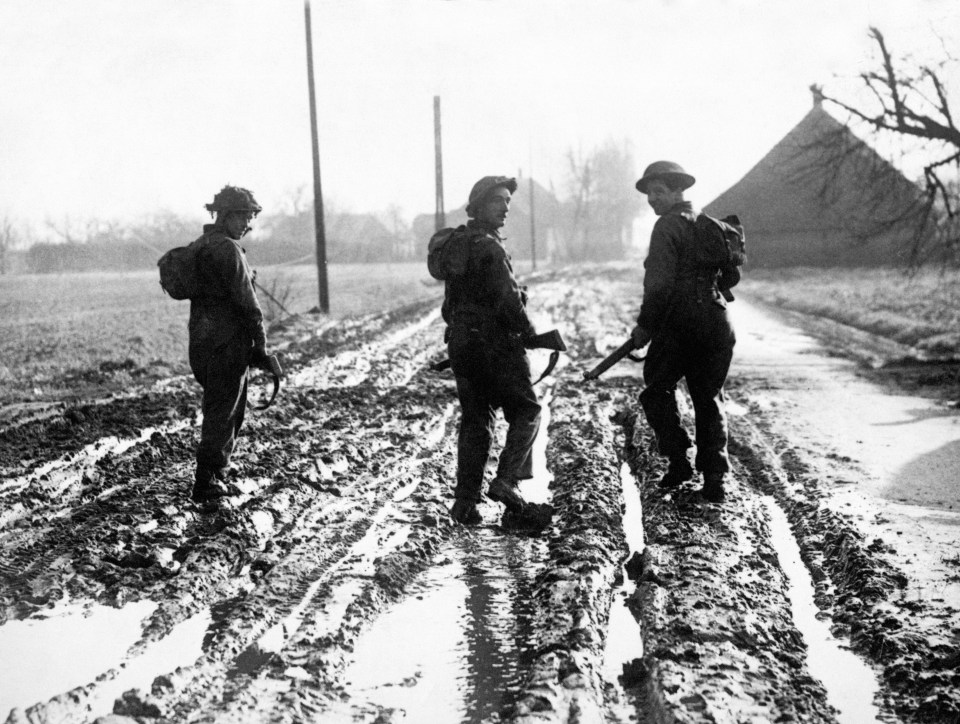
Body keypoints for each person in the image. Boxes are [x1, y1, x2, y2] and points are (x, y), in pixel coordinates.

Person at [630, 162, 736, 503]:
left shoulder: (667, 226)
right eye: (649, 193)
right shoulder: (710, 225)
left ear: (678, 192)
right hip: (718, 321)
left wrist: (645, 326)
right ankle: (714, 481)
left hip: (682, 324)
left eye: (658, 191)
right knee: (708, 397)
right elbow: (730, 278)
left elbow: (657, 285)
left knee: (655, 390)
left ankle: (679, 462)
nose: (652, 199)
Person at [442, 176, 542, 524]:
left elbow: (449, 306)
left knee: (475, 420)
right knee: (527, 410)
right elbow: (509, 301)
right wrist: (529, 333)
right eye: (498, 200)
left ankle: (465, 503)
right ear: (479, 205)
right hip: (493, 345)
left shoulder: (460, 245)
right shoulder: (491, 248)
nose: (505, 208)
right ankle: (506, 482)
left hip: (462, 344)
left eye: (508, 202)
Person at [188, 185, 278, 503]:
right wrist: (262, 346)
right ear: (225, 216)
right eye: (242, 216)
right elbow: (249, 304)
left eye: (249, 217)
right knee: (225, 411)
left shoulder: (200, 245)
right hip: (227, 344)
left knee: (217, 406)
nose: (247, 224)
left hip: (200, 342)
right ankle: (208, 479)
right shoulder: (228, 250)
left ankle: (216, 474)